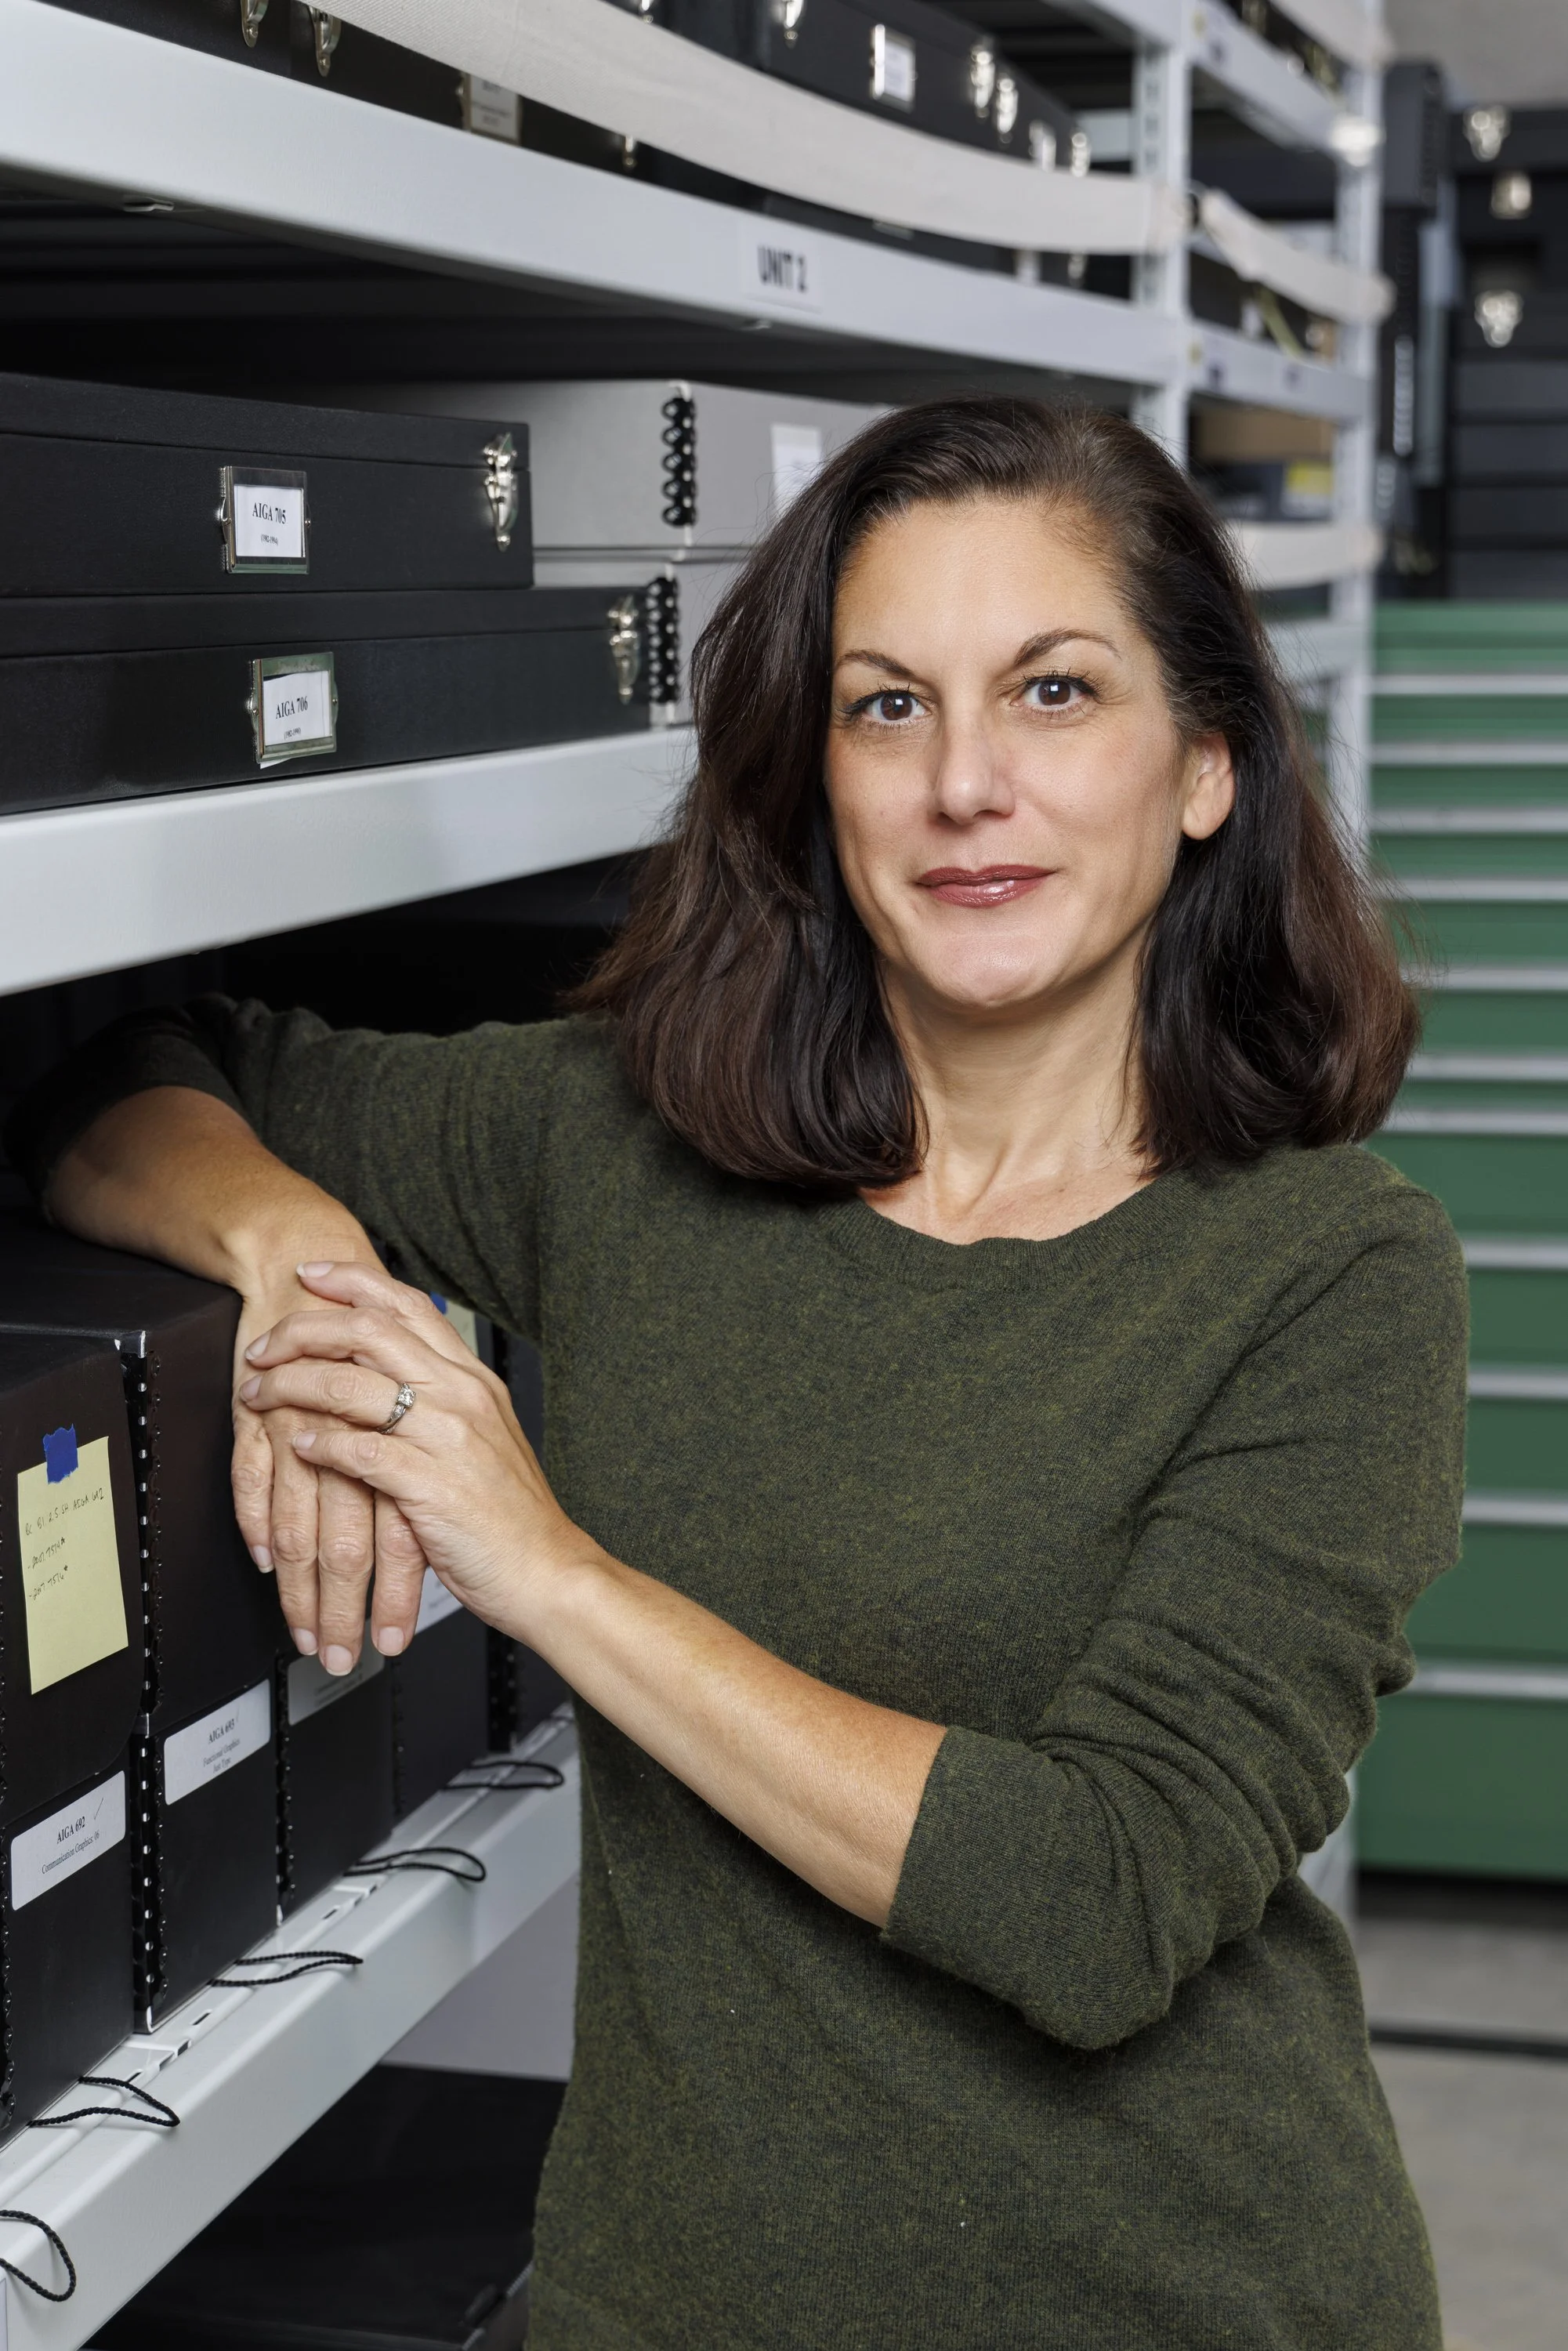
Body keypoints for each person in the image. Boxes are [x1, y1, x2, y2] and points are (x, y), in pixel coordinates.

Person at [10, 398, 1467, 2351]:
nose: (966, 783)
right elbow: (127, 1080)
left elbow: (1097, 1898)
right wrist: (309, 1266)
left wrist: (543, 1564)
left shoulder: (1335, 1277)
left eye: (1052, 692)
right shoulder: (620, 1152)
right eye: (886, 707)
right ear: (814, 779)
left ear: (1202, 764)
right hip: (664, 2299)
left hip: (1168, 2298)